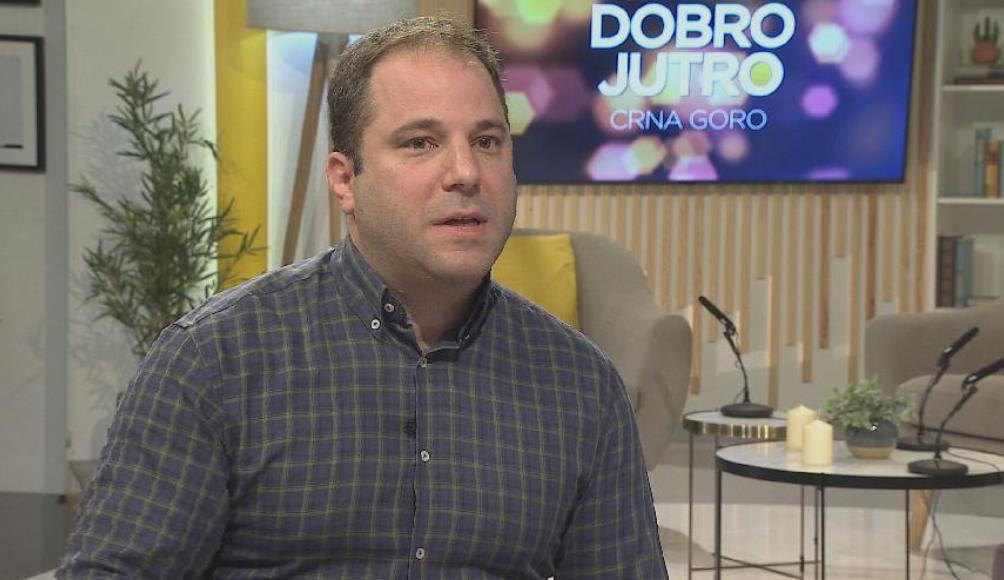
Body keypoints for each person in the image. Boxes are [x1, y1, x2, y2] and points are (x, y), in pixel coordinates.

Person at [58, 16, 667, 579]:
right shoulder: (214, 361)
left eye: (487, 141)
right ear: (345, 179)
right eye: (421, 142)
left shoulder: (581, 385)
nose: (466, 172)